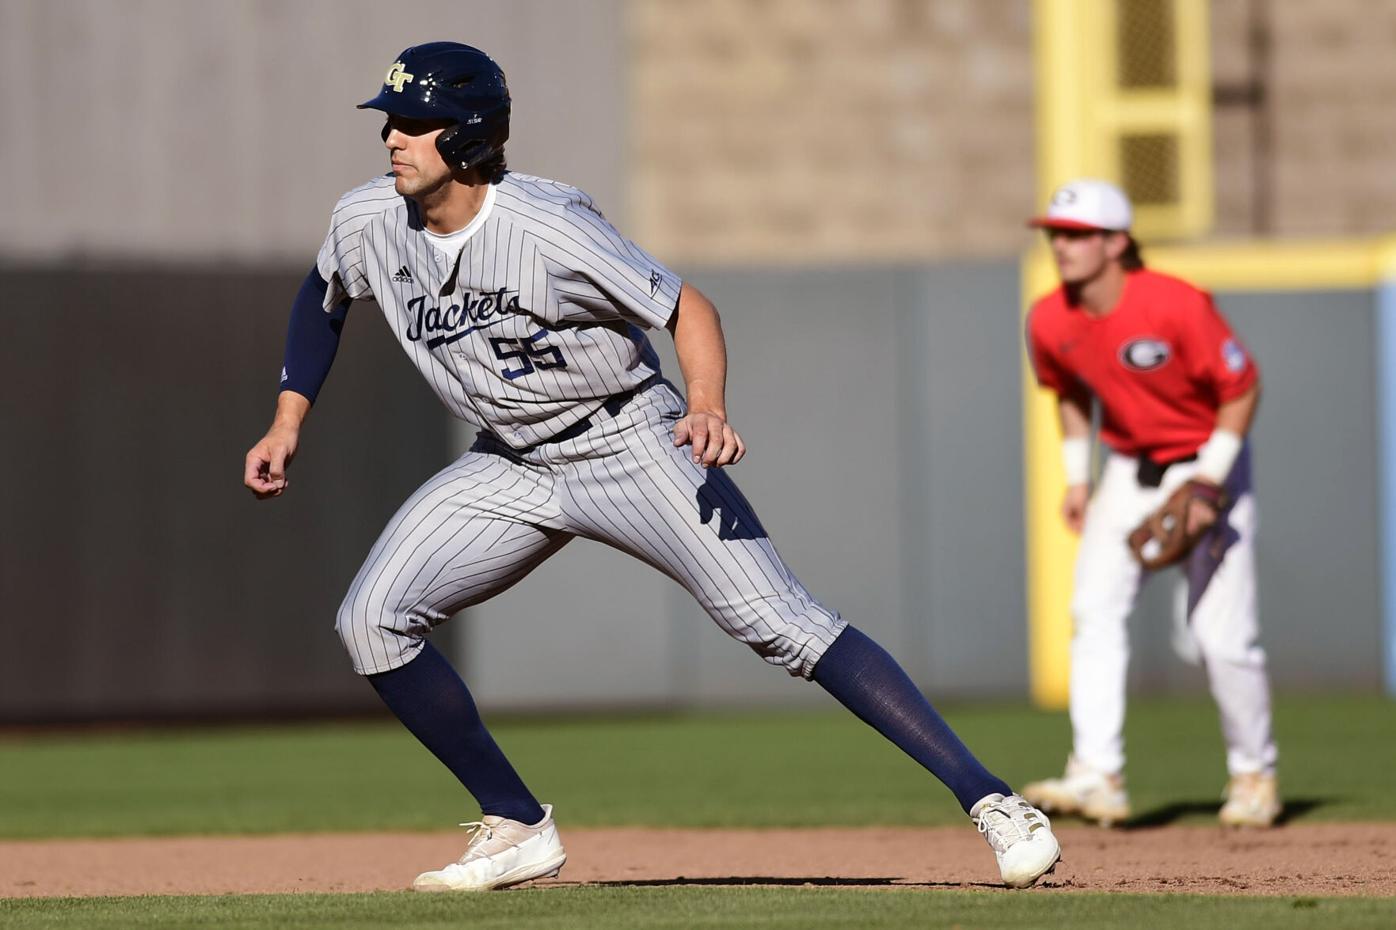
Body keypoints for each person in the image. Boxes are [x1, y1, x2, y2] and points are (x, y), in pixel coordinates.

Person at [243, 41, 1061, 891]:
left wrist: (704, 404)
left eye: (416, 123)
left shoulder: (548, 226)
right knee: (372, 619)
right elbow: (323, 296)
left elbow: (684, 306)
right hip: (511, 460)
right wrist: (286, 418)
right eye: (391, 121)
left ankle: (995, 801)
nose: (394, 139)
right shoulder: (366, 218)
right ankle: (518, 823)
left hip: (630, 437)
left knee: (783, 624)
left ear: (471, 135)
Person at [1021, 178, 1281, 828]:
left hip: (1207, 464)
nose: (1062, 244)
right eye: (1056, 232)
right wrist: (1078, 478)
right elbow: (1073, 394)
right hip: (1129, 469)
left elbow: (1242, 387)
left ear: (1116, 241)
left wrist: (1209, 481)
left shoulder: (1175, 304)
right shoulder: (1049, 317)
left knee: (1220, 637)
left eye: (1078, 234)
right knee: (1093, 612)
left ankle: (1254, 774)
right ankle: (1096, 772)